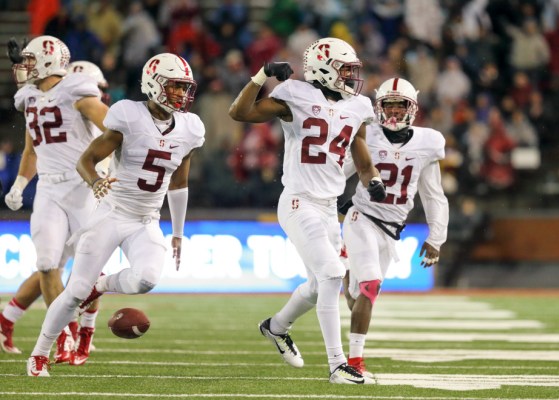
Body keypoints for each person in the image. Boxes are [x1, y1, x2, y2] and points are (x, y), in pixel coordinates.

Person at [27, 52, 205, 377]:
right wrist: (95, 182)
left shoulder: (190, 128)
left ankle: (102, 284)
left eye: (185, 87)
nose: (182, 93)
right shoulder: (128, 115)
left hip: (146, 220)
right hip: (112, 214)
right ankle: (39, 353)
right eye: (176, 86)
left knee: (147, 278)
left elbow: (179, 181)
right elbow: (86, 160)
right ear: (155, 84)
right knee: (73, 293)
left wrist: (178, 231)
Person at [229, 37, 386, 384]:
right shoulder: (295, 93)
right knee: (332, 274)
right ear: (323, 69)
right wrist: (261, 75)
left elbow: (358, 147)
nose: (350, 76)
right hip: (299, 200)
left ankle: (276, 326)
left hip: (329, 208)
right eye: (344, 69)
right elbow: (239, 113)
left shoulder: (358, 104)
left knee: (318, 287)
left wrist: (371, 177)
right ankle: (337, 366)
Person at [1, 36, 109, 364]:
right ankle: (65, 334)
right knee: (48, 264)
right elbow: (33, 148)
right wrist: (20, 183)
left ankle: (82, 333)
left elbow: (115, 128)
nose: (24, 67)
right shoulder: (30, 96)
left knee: (90, 270)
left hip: (83, 189)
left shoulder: (76, 89)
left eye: (31, 61)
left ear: (48, 62)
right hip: (48, 188)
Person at [339, 78, 449, 376]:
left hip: (391, 228)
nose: (395, 111)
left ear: (412, 108)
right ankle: (354, 363)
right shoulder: (367, 135)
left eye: (401, 106)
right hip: (361, 216)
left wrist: (436, 237)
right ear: (379, 106)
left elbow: (433, 195)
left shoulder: (428, 142)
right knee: (371, 284)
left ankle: (346, 273)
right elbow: (339, 172)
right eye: (389, 105)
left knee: (362, 294)